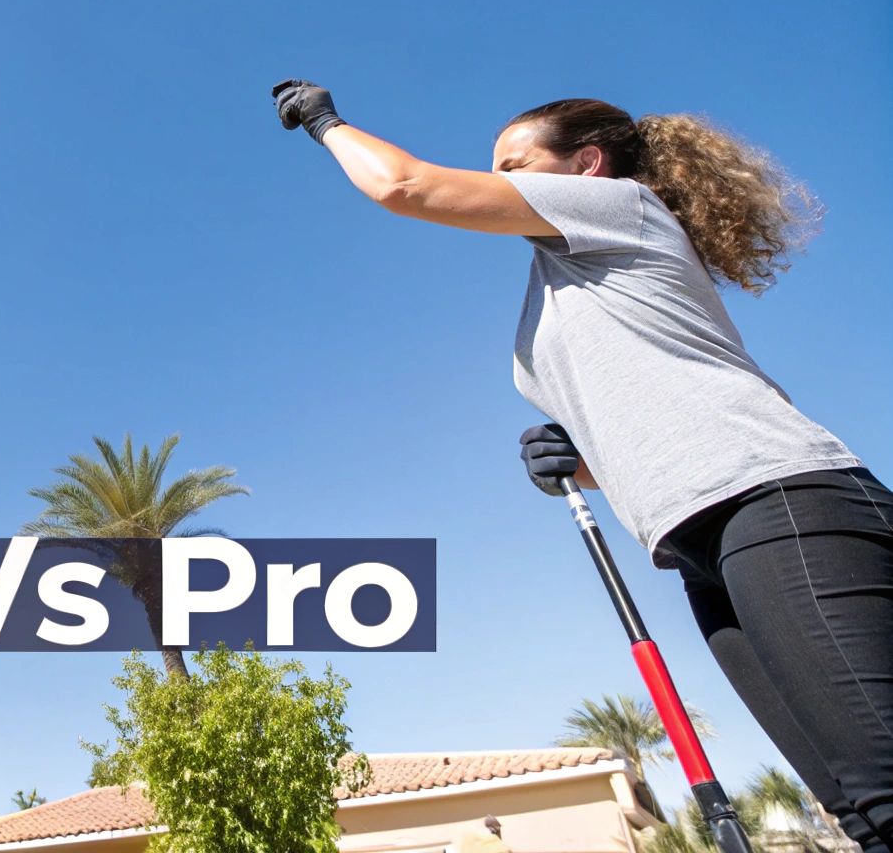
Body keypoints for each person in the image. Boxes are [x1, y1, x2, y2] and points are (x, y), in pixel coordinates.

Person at [272, 81, 891, 850]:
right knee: (856, 810)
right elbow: (648, 413)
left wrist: (326, 124)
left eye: (514, 163)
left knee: (884, 789)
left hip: (779, 496)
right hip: (695, 540)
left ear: (587, 165)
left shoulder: (621, 207)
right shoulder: (567, 282)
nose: (501, 180)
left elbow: (405, 184)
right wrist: (580, 463)